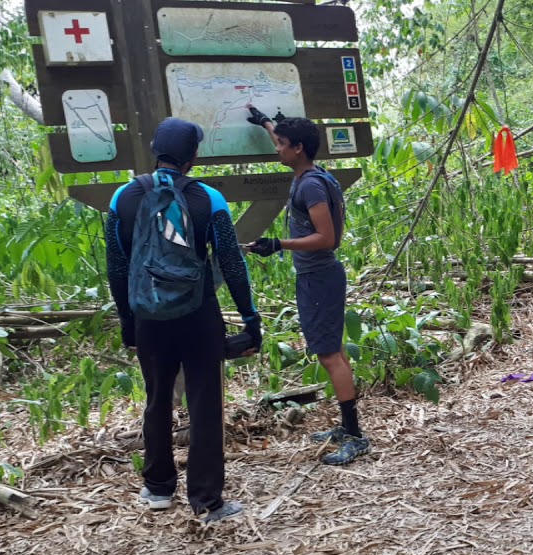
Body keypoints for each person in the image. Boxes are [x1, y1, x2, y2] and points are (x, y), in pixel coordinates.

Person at [104, 117, 261, 523]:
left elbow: (117, 267)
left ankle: (157, 488)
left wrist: (127, 321)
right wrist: (249, 317)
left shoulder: (123, 198)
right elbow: (231, 261)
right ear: (194, 155)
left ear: (155, 148)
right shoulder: (209, 199)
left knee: (157, 400)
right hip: (198, 314)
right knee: (205, 404)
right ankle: (207, 500)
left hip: (148, 316)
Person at [244, 107, 369, 465]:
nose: (276, 149)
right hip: (319, 276)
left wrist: (277, 244)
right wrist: (267, 122)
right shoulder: (314, 174)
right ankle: (347, 428)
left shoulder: (311, 185)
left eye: (281, 144)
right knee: (335, 350)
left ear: (298, 148)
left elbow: (326, 238)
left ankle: (356, 436)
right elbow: (285, 139)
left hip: (319, 276)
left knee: (330, 356)